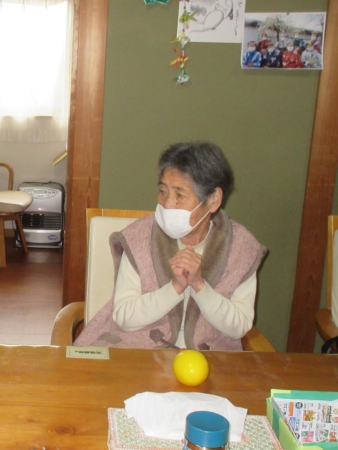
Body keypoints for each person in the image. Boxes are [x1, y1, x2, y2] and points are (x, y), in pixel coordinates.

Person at [74, 141, 267, 350]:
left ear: (214, 199)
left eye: (179, 195)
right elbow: (124, 317)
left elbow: (238, 328)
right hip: (141, 350)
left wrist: (200, 286)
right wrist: (174, 287)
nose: (167, 204)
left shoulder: (241, 248)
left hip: (210, 358)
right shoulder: (139, 238)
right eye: (163, 191)